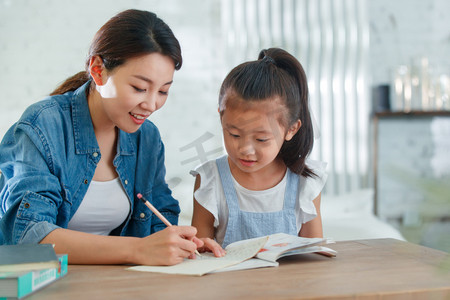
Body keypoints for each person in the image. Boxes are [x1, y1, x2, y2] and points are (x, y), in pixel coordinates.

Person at [0, 9, 223, 265]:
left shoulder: (146, 138)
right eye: (139, 88)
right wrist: (137, 250)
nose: (151, 105)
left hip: (115, 284)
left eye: (163, 91)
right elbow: (28, 235)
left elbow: (158, 219)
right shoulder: (43, 125)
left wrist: (183, 245)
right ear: (98, 70)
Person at [191, 48, 327, 248]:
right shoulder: (211, 179)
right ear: (221, 118)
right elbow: (199, 253)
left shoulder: (305, 183)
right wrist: (199, 247)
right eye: (234, 134)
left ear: (291, 129)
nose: (246, 149)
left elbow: (313, 254)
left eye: (262, 139)